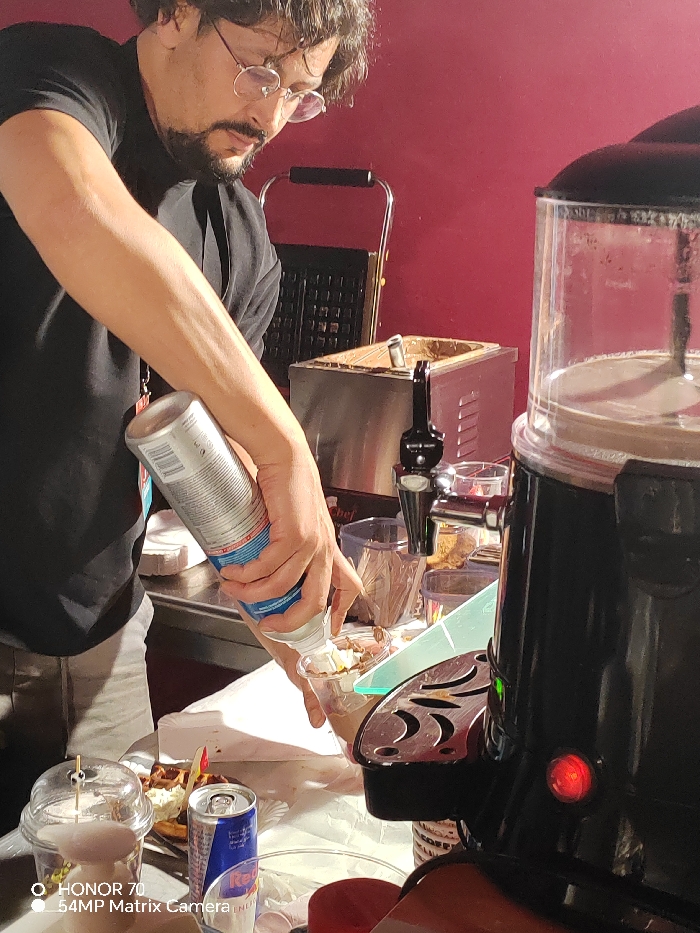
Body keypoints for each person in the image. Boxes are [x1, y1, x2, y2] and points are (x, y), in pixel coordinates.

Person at [0, 0, 370, 830]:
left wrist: (298, 619)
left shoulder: (237, 234)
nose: (272, 116)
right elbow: (73, 207)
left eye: (300, 91)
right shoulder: (47, 77)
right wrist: (286, 445)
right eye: (260, 70)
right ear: (173, 13)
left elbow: (215, 461)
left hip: (103, 643)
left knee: (109, 888)